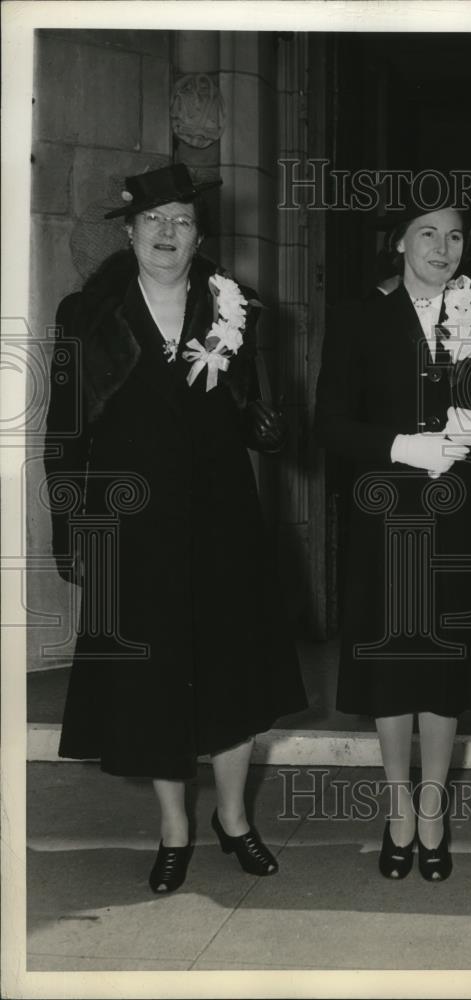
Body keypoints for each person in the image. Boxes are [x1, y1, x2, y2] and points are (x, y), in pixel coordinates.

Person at [44, 164, 307, 895]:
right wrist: (69, 525)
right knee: (153, 680)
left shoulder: (236, 306)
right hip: (132, 524)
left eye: (182, 221)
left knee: (231, 670)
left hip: (223, 516)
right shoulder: (86, 315)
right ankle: (174, 827)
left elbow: (257, 414)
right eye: (153, 220)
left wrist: (269, 426)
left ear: (199, 236)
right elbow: (62, 431)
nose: (167, 233)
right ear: (128, 232)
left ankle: (233, 818)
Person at [315, 205, 471, 882]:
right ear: (398, 241)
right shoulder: (358, 317)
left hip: (459, 523)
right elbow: (330, 424)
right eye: (427, 233)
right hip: (385, 517)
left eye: (454, 236)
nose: (442, 247)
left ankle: (434, 810)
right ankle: (397, 808)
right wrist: (398, 444)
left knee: (445, 669)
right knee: (393, 668)